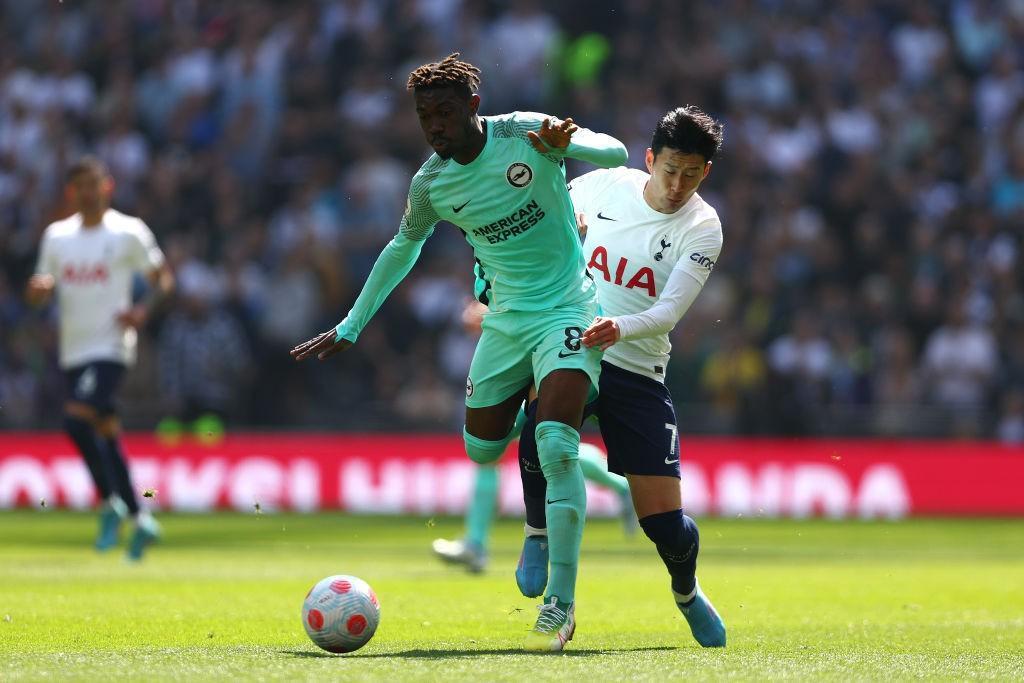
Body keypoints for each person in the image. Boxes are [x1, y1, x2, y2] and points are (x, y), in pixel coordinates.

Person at [291, 53, 627, 651]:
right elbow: (402, 248)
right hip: (504, 324)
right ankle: (542, 503)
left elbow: (616, 154)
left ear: (474, 106)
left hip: (570, 310)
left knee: (555, 442)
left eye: (445, 113)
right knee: (481, 446)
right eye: (425, 117)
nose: (435, 127)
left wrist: (570, 143)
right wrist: (351, 324)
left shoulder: (523, 131)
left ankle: (561, 602)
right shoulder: (430, 184)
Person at [515, 106, 728, 647]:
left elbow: (667, 314)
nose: (678, 184)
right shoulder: (604, 186)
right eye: (670, 169)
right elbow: (542, 219)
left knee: (667, 529)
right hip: (574, 347)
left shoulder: (703, 226)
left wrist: (618, 327)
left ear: (706, 172)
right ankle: (538, 533)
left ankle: (686, 590)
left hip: (637, 367)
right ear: (650, 160)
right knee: (545, 425)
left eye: (692, 173)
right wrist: (565, 225)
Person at [26, 156, 174, 560]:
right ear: (71, 192)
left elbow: (163, 278)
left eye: (95, 184)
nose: (88, 193)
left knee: (75, 420)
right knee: (105, 430)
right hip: (73, 349)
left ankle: (111, 503)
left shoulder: (129, 232)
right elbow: (40, 292)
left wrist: (143, 309)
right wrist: (37, 291)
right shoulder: (57, 237)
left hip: (110, 346)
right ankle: (141, 517)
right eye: (80, 186)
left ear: (107, 187)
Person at [432, 300, 634, 575]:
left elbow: (548, 296)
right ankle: (622, 487)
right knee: (537, 445)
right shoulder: (503, 265)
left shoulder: (560, 265)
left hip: (554, 359)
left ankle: (478, 545)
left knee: (538, 443)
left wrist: (490, 317)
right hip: (528, 363)